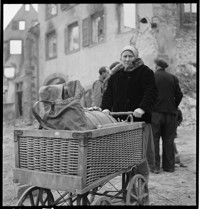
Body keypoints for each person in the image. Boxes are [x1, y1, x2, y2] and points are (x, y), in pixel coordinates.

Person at [101, 45, 158, 184]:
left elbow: (151, 91)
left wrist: (142, 108)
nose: (127, 59)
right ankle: (128, 188)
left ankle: (141, 186)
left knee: (139, 156)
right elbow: (108, 94)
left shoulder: (145, 71)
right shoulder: (116, 75)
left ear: (135, 57)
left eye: (130, 56)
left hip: (139, 121)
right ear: (121, 58)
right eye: (125, 56)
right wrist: (106, 108)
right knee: (124, 156)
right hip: (121, 121)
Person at [151, 57, 183, 174]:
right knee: (169, 140)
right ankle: (169, 167)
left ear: (156, 66)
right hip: (170, 114)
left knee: (154, 140)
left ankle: (155, 167)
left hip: (155, 114)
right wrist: (173, 106)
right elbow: (179, 95)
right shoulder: (173, 78)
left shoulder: (152, 77)